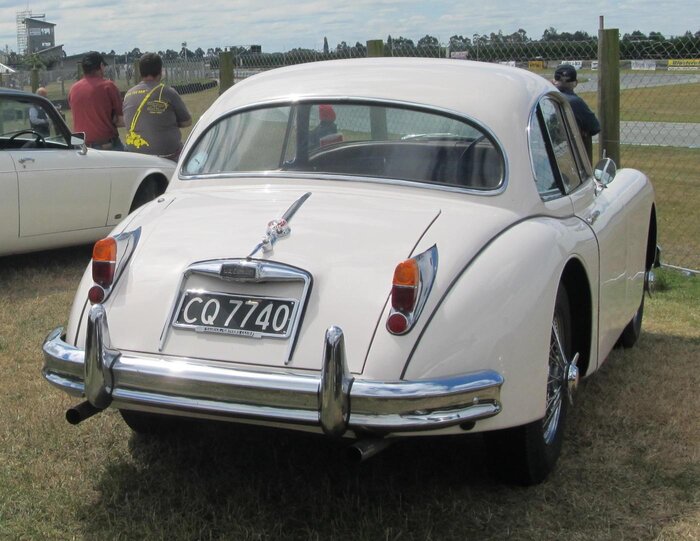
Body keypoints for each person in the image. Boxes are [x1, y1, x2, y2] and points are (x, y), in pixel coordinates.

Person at [123, 53, 192, 161]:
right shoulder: (168, 92)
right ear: (160, 71)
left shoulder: (128, 94)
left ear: (140, 72)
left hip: (134, 154)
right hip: (167, 155)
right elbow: (187, 122)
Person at [68, 51, 125, 150]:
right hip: (105, 145)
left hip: (79, 146)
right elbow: (121, 121)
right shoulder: (108, 86)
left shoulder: (73, 89)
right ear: (101, 66)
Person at [552, 64, 600, 160]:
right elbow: (595, 127)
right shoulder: (576, 103)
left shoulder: (545, 97)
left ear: (554, 81)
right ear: (576, 83)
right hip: (571, 156)